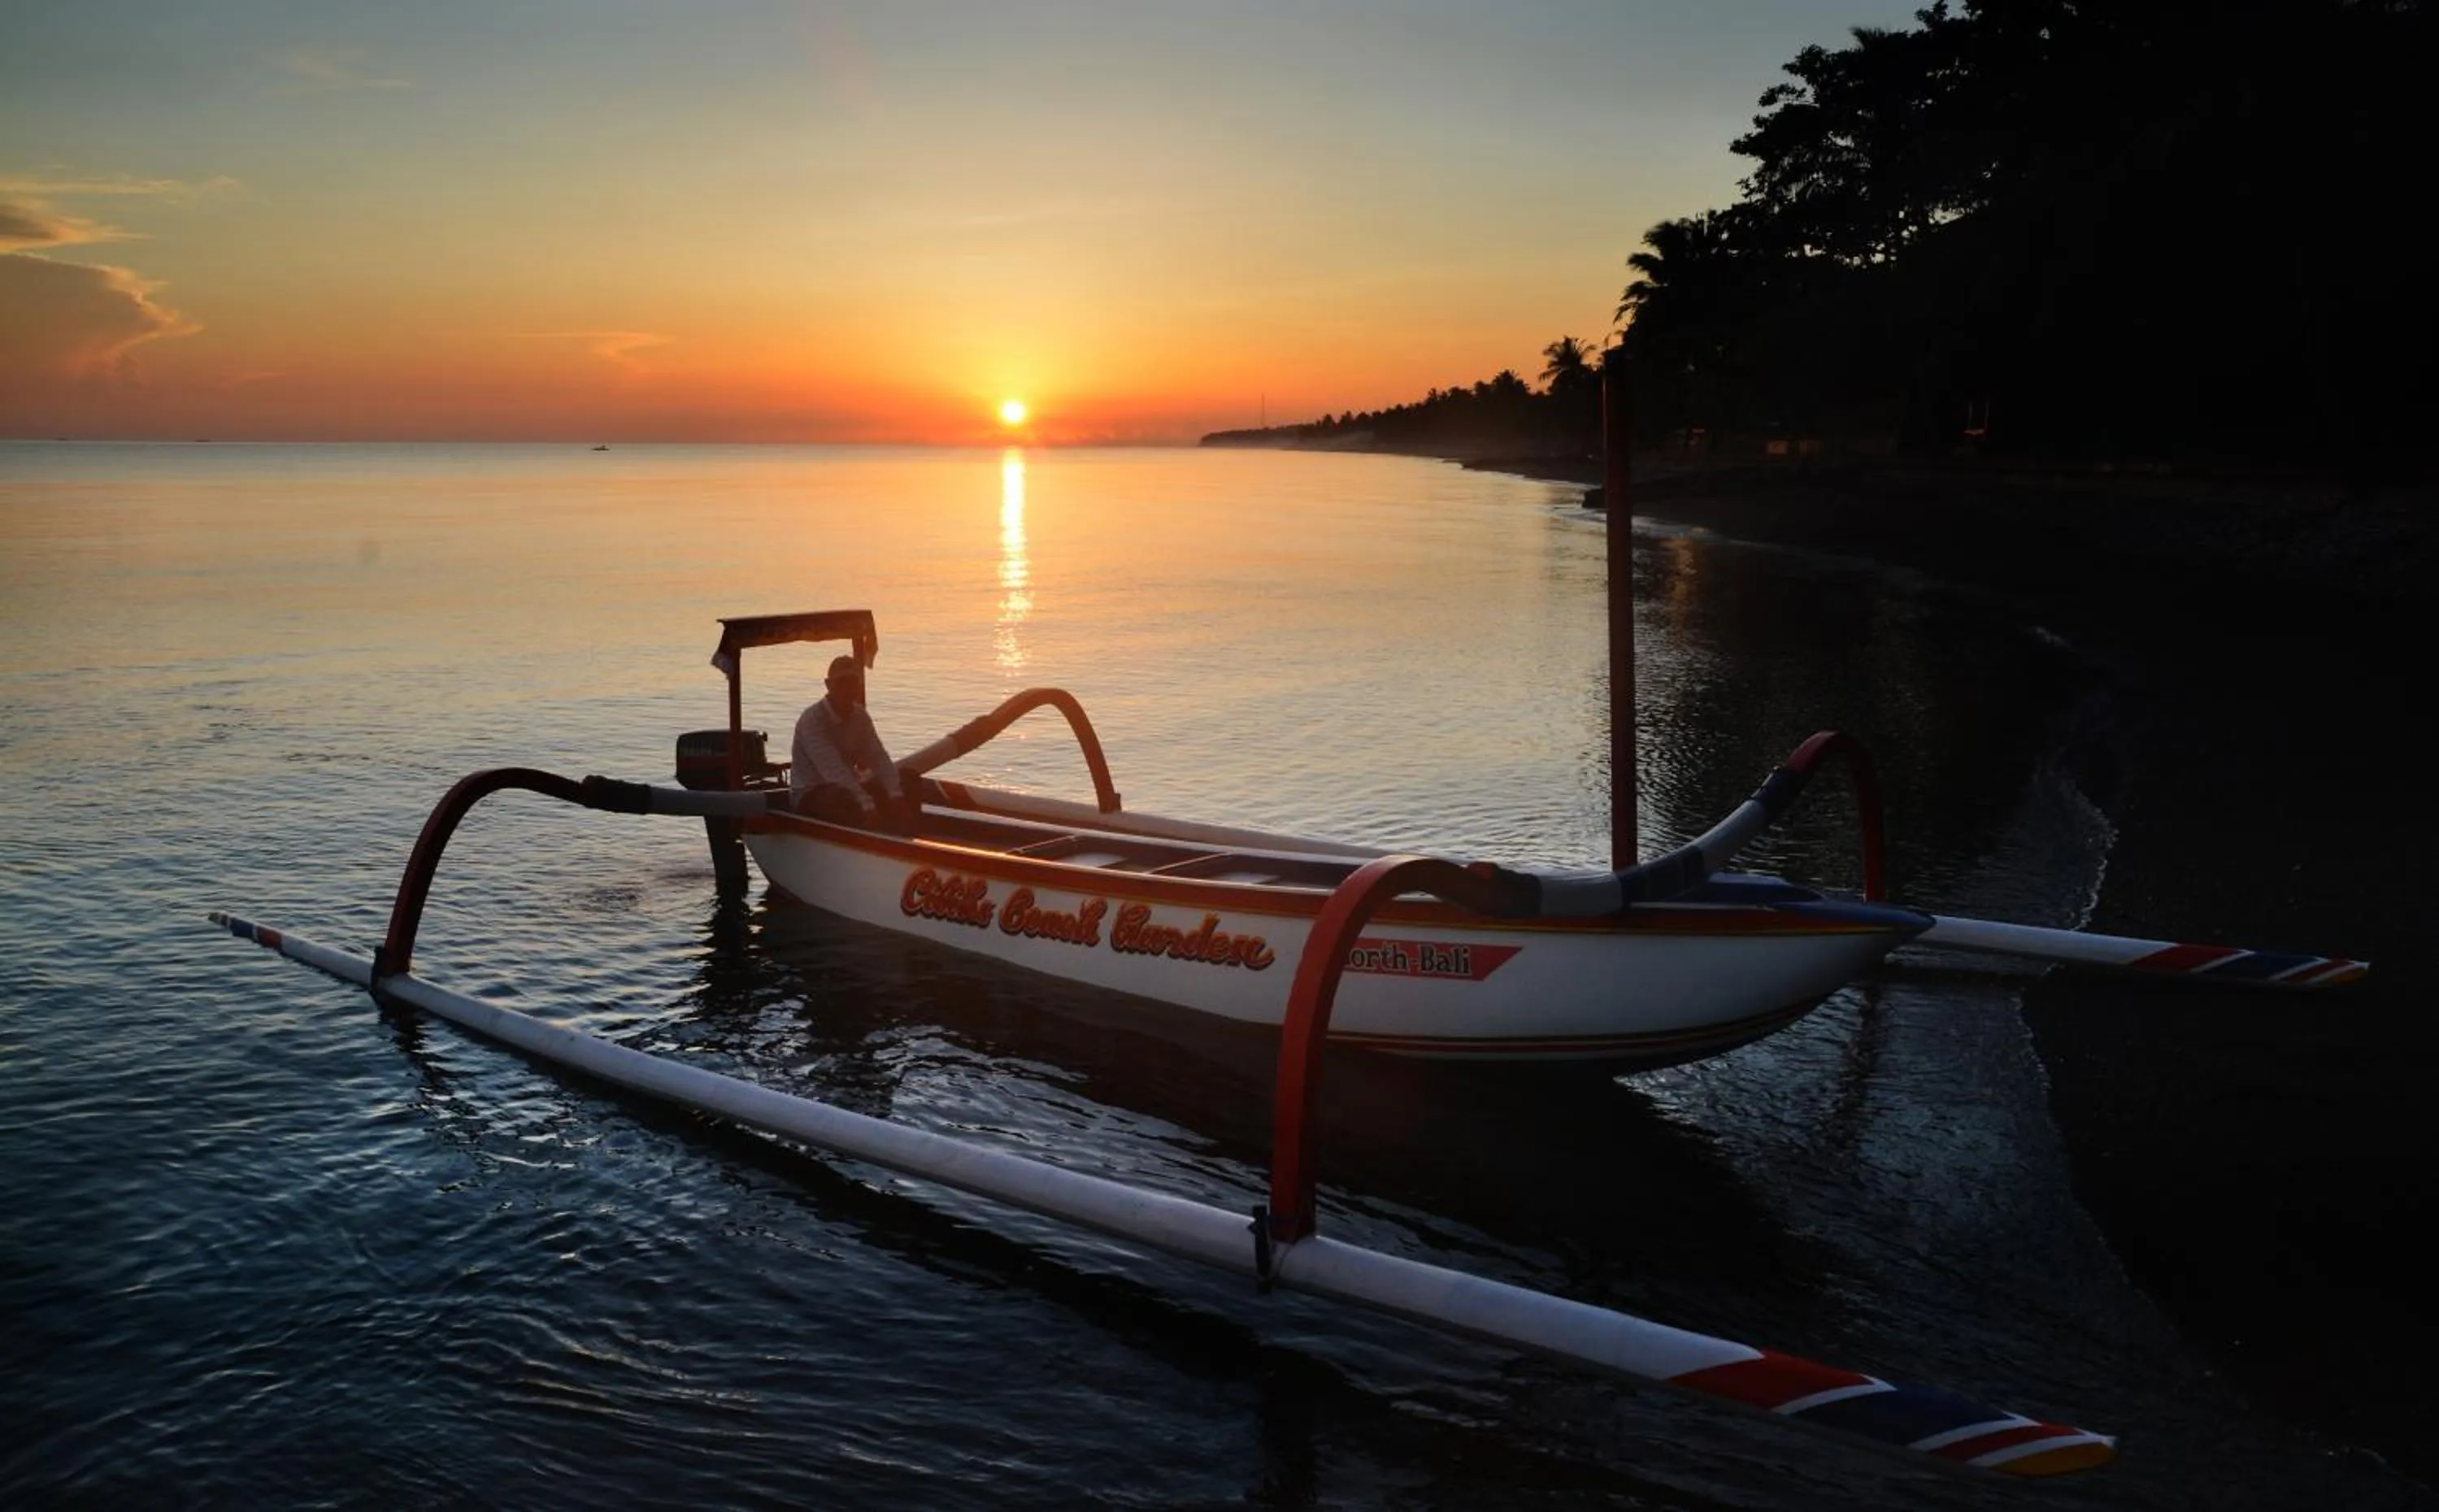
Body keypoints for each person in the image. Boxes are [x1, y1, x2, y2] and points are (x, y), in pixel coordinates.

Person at [790, 654, 915, 833]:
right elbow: (833, 771)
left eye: (853, 682)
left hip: (847, 787)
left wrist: (896, 794)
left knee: (908, 778)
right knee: (843, 799)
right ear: (828, 685)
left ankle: (907, 838)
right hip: (811, 792)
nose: (849, 688)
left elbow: (878, 757)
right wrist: (866, 803)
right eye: (842, 682)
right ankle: (869, 842)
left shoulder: (860, 717)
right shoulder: (812, 720)